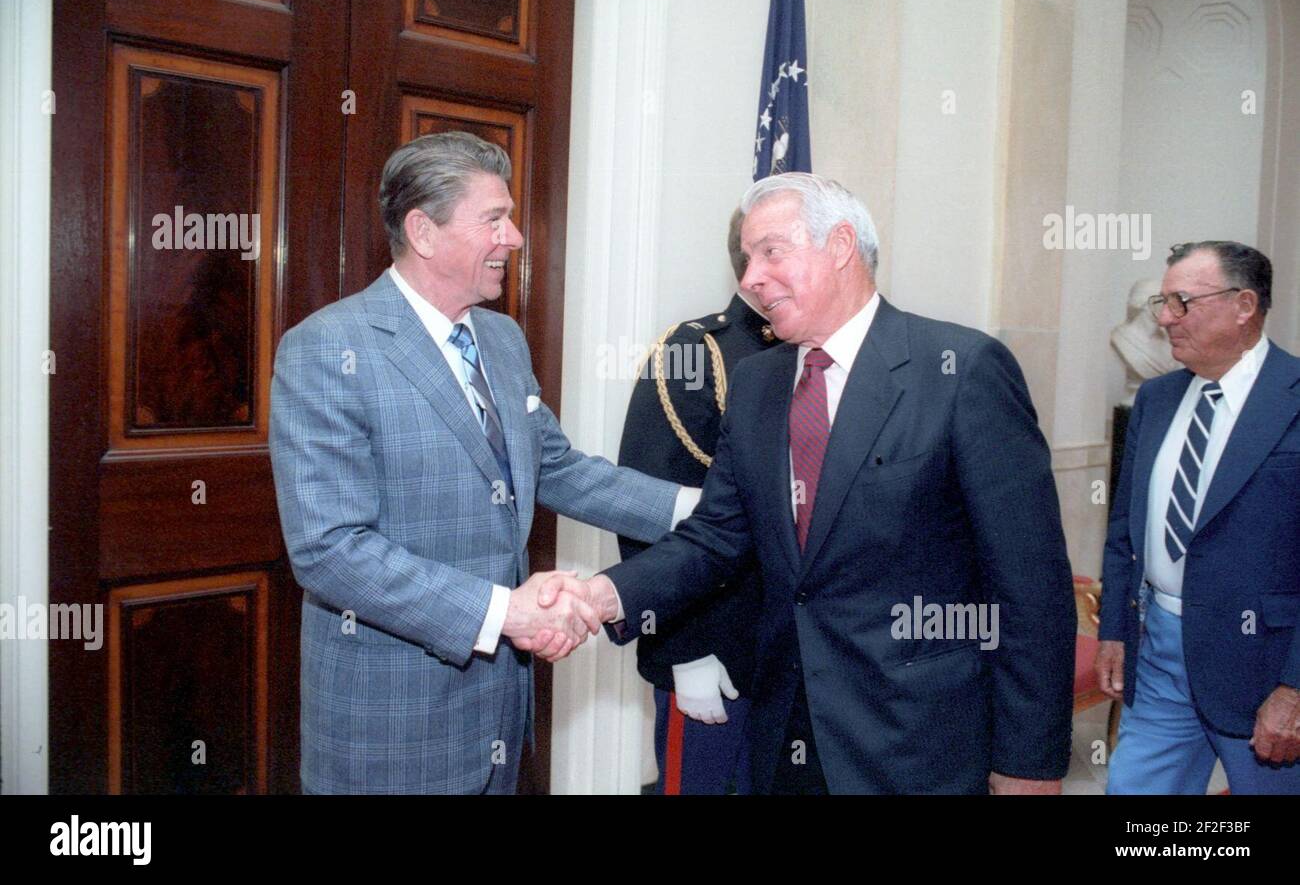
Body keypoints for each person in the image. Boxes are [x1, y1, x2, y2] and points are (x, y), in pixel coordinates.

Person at [542, 172, 1076, 794]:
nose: (749, 278)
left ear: (842, 244)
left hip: (918, 741)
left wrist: (1029, 763)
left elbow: (1031, 586)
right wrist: (603, 596)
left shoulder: (960, 371)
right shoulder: (758, 384)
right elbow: (715, 537)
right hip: (787, 732)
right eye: (746, 259)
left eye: (771, 251)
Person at [269, 131, 695, 794]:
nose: (516, 237)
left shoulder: (500, 338)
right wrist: (504, 613)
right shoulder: (328, 348)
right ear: (423, 231)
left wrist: (696, 509)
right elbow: (331, 550)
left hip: (498, 711)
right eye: (494, 219)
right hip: (393, 726)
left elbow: (554, 465)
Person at [1096, 241, 1300, 794]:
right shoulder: (1157, 400)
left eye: (1181, 302)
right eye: (1164, 302)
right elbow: (1124, 530)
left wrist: (1294, 689)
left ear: (1244, 305)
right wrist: (1114, 628)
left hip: (1263, 667)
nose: (1164, 319)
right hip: (1159, 649)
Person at [617, 209, 778, 795]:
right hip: (719, 651)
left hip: (797, 657)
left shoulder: (822, 354)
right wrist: (686, 649)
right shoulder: (698, 352)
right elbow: (647, 514)